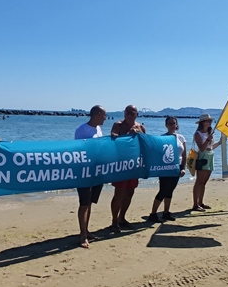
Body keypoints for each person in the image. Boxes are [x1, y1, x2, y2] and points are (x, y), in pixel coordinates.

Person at [108, 105, 146, 233]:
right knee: (119, 193)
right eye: (127, 112)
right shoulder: (118, 125)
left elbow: (145, 144)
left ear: (137, 114)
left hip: (134, 165)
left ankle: (122, 218)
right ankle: (114, 220)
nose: (129, 114)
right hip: (121, 164)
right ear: (124, 113)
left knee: (130, 192)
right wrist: (129, 134)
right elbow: (114, 140)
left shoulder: (141, 127)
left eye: (132, 112)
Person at [74, 105, 107, 248]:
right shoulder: (82, 130)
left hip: (97, 171)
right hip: (84, 172)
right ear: (98, 114)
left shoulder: (99, 129)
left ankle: (86, 230)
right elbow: (78, 150)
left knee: (90, 202)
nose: (106, 118)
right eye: (104, 115)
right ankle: (82, 236)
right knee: (84, 203)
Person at [149, 116, 187, 222]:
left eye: (174, 123)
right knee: (163, 190)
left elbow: (184, 155)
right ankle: (153, 214)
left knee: (170, 190)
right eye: (170, 123)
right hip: (165, 167)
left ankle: (166, 212)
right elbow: (157, 153)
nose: (172, 125)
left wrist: (183, 168)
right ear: (166, 125)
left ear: (176, 125)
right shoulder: (162, 138)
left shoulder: (181, 138)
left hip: (177, 167)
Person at [191, 114, 222, 212]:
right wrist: (208, 139)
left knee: (204, 182)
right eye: (207, 121)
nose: (210, 122)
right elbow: (202, 148)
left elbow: (210, 147)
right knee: (199, 181)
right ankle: (195, 204)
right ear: (203, 122)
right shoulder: (198, 134)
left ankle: (201, 202)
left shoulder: (209, 132)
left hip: (210, 156)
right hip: (202, 157)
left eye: (210, 121)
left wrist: (219, 143)